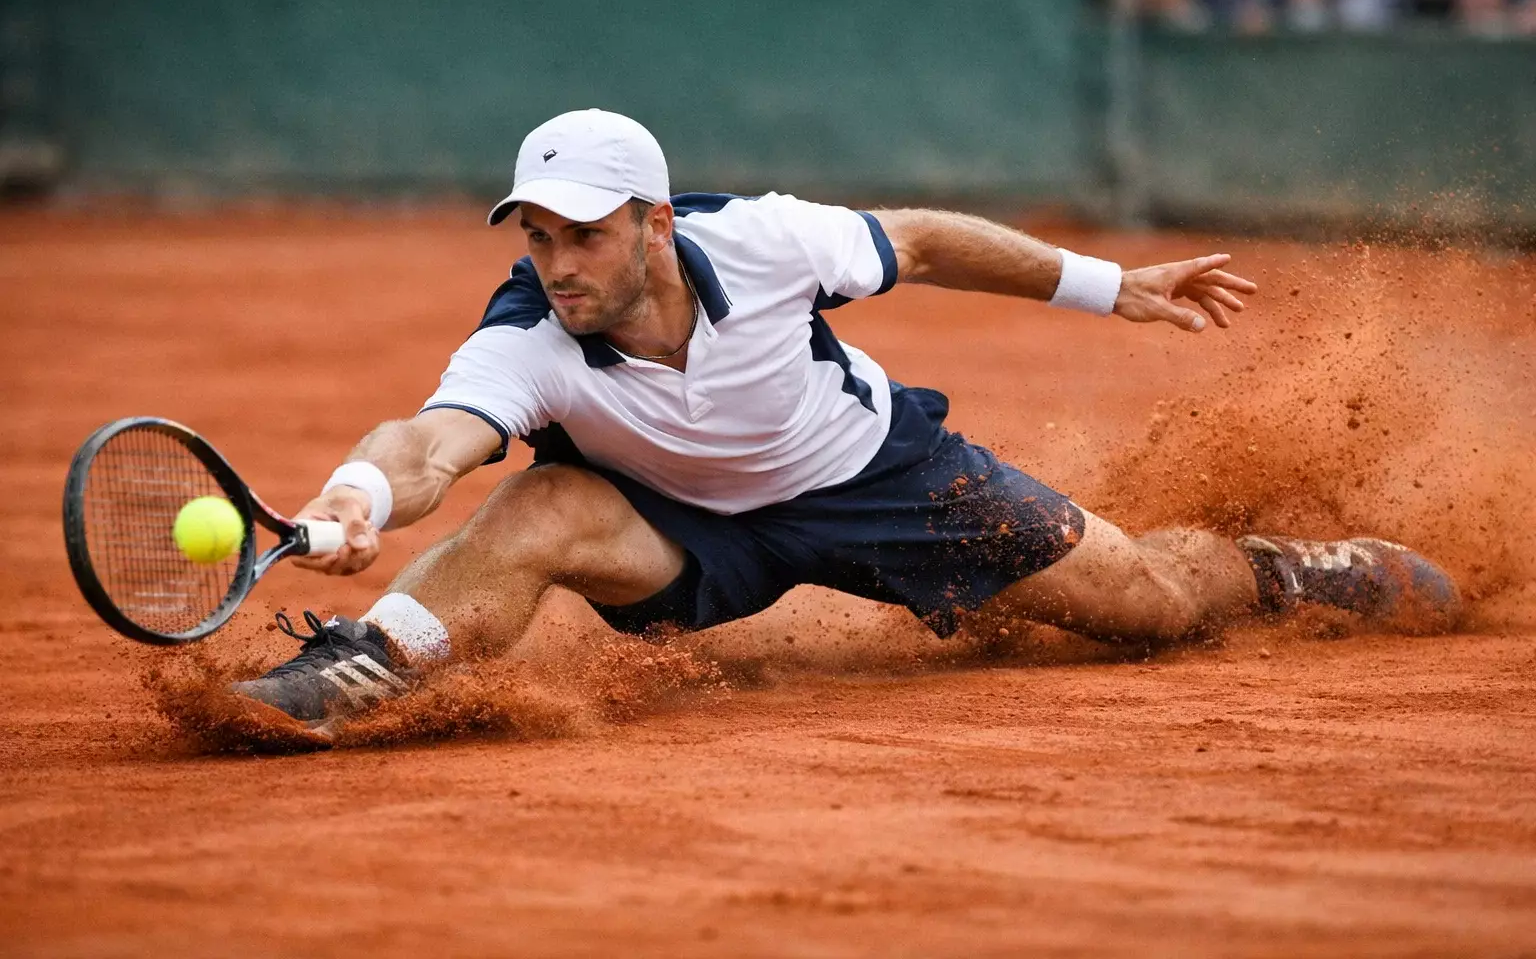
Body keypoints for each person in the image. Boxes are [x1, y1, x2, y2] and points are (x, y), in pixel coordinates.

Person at [229, 109, 1461, 741]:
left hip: (878, 476)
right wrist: (361, 496)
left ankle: (1274, 567)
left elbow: (920, 239)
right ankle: (362, 664)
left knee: (1146, 611)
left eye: (585, 231)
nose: (558, 261)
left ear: (656, 222)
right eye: (537, 235)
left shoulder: (763, 242)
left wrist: (1109, 284)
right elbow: (433, 438)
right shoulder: (525, 340)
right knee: (540, 504)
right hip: (680, 534)